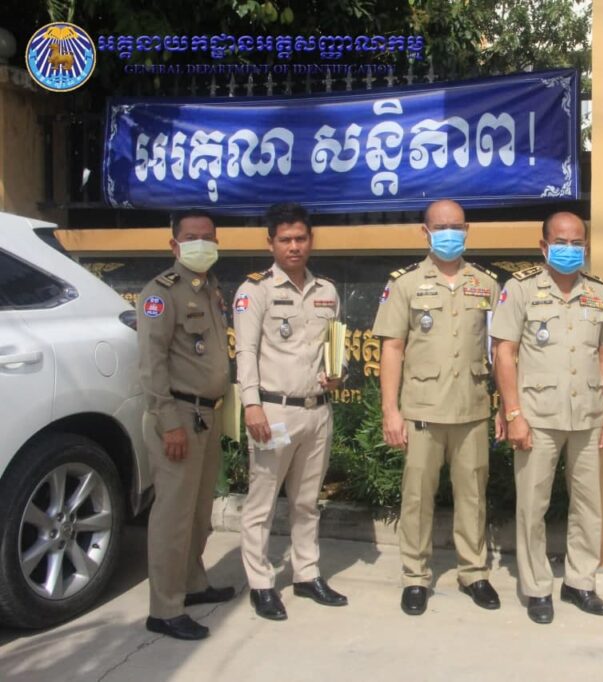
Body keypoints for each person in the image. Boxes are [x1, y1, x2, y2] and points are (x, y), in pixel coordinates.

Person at [491, 211, 603, 625]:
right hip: (537, 416)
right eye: (561, 242)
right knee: (533, 505)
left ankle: (580, 582)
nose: (570, 249)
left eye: (577, 242)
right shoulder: (521, 289)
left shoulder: (599, 292)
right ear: (544, 246)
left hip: (588, 415)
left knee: (588, 505)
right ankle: (536, 588)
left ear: (586, 246)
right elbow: (504, 352)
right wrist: (513, 412)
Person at [372, 199, 503, 616]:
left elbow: (501, 351)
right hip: (423, 411)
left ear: (467, 230)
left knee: (473, 496)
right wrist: (391, 411)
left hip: (472, 409)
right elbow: (392, 348)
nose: (450, 233)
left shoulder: (486, 284)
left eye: (457, 226)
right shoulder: (406, 284)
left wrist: (505, 405)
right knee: (417, 498)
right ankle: (415, 576)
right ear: (425, 232)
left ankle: (474, 572)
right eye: (441, 227)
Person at [234, 202, 347, 621]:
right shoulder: (255, 291)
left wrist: (338, 373)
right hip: (274, 413)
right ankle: (261, 583)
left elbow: (334, 346)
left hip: (317, 412)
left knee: (307, 501)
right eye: (285, 240)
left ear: (311, 240)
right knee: (262, 502)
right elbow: (245, 352)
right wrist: (251, 405)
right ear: (271, 243)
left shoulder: (326, 290)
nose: (294, 246)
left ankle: (306, 573)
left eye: (300, 238)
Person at [138, 209, 234, 641]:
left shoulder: (209, 288)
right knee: (173, 517)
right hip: (177, 417)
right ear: (174, 244)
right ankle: (164, 609)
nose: (202, 244)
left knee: (198, 513)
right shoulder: (160, 294)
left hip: (206, 416)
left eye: (208, 236)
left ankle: (192, 584)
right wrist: (169, 423)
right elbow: (152, 364)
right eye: (192, 237)